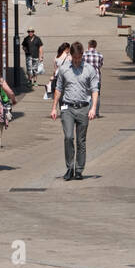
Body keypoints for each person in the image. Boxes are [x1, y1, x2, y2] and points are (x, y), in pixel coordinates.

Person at [50, 41, 99, 180]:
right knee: (68, 137)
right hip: (67, 108)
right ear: (71, 55)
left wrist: (93, 108)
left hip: (83, 108)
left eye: (79, 57)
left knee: (81, 141)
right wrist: (54, 107)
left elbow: (95, 89)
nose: (77, 60)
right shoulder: (64, 69)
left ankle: (79, 170)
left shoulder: (89, 69)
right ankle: (69, 167)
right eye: (75, 57)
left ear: (82, 55)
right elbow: (58, 88)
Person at [83, 39, 104, 118]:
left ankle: (86, 111)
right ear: (95, 46)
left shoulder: (84, 54)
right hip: (96, 77)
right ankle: (96, 112)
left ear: (88, 45)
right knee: (96, 95)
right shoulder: (100, 55)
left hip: (85, 77)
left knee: (86, 94)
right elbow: (100, 65)